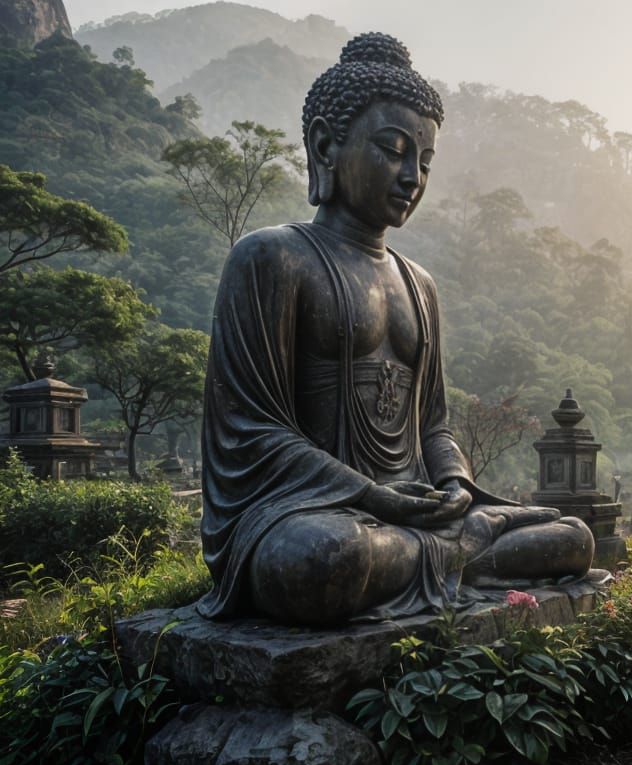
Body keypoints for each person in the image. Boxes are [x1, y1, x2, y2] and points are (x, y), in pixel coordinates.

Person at [197, 33, 594, 626]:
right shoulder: (272, 258)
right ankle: (463, 557)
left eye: (425, 162)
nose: (412, 176)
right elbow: (251, 432)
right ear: (326, 145)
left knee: (574, 536)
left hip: (415, 509)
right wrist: (370, 494)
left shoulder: (420, 285)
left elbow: (431, 424)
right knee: (321, 560)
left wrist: (455, 482)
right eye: (393, 150)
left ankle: (446, 551)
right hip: (312, 511)